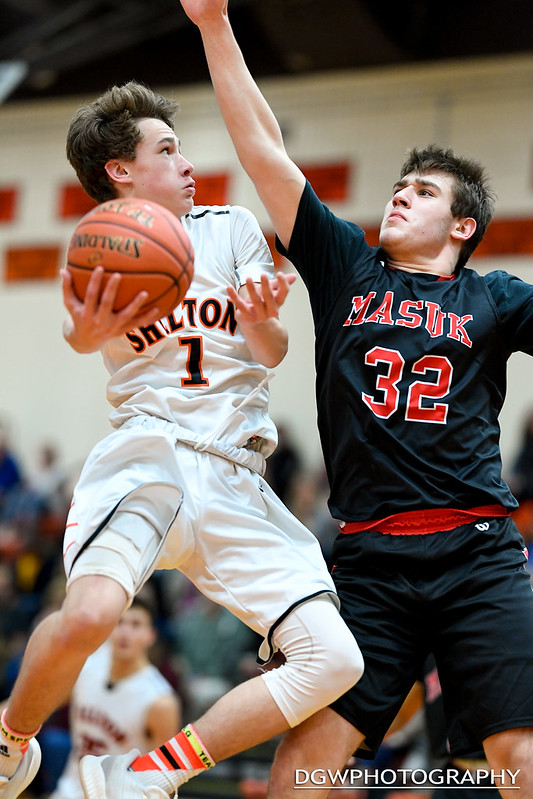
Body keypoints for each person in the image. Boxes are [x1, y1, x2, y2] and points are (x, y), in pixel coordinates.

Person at [173, 2, 533, 796]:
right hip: (371, 563)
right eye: (399, 185)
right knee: (300, 768)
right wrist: (212, 24)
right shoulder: (346, 268)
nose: (400, 195)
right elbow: (262, 147)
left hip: (476, 553)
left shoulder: (496, 297)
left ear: (462, 223)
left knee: (520, 761)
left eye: (423, 191)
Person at [0, 80, 363, 799]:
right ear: (121, 171)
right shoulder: (101, 244)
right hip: (151, 456)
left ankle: (147, 775)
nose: (189, 161)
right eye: (167, 149)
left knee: (333, 658)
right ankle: (11, 742)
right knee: (93, 613)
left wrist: (258, 315)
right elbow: (80, 332)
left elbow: (272, 348)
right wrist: (87, 326)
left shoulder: (229, 226)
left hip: (235, 474)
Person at [49, 596, 181, 799]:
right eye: (119, 622)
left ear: (151, 635)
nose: (125, 632)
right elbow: (41, 702)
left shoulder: (160, 701)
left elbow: (166, 782)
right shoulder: (86, 665)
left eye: (136, 624)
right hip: (67, 791)